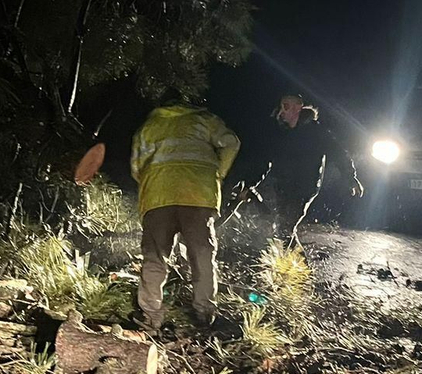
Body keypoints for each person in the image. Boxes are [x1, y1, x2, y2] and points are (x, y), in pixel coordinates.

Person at [130, 94, 240, 331]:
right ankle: (204, 312)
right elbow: (232, 143)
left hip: (158, 196)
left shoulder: (150, 126)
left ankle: (150, 316)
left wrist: (153, 180)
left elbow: (136, 167)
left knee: (155, 256)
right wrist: (217, 173)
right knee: (201, 254)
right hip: (198, 195)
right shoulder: (206, 120)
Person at [241, 92, 363, 248]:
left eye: (285, 106)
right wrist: (251, 184)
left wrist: (350, 178)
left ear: (298, 108)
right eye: (281, 106)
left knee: (285, 228)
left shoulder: (315, 132)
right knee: (283, 229)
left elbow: (338, 153)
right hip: (282, 186)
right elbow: (265, 160)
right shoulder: (281, 133)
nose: (282, 110)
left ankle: (292, 267)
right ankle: (298, 267)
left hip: (305, 188)